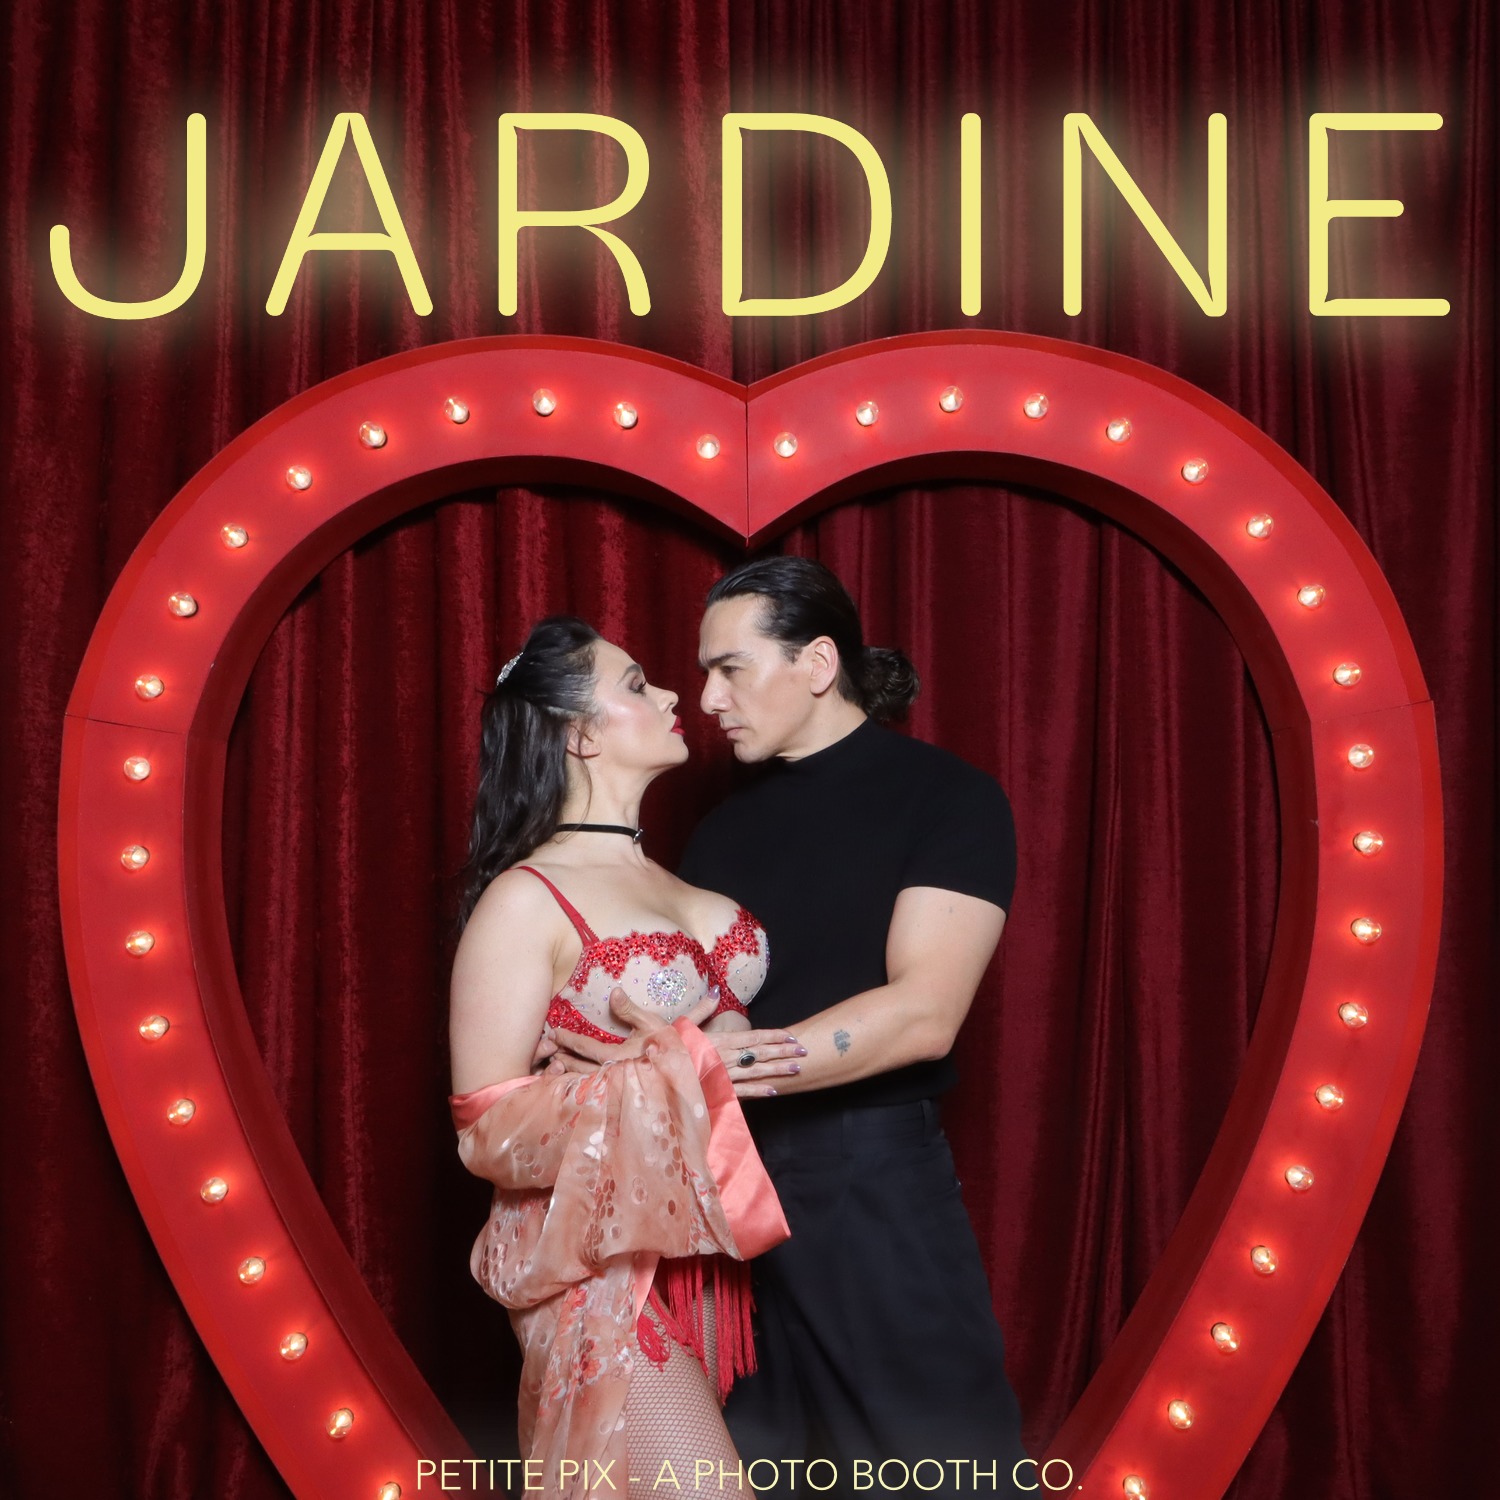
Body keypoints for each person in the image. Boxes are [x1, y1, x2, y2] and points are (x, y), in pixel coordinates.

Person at [675, 557, 1029, 1496]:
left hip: (869, 1173)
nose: (707, 699)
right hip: (725, 1181)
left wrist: (709, 1064)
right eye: (704, 674)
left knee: (948, 1471)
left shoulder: (946, 796)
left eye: (730, 668)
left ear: (819, 662)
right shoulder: (716, 833)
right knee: (754, 1470)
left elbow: (924, 1015)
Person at [447, 615, 791, 1500]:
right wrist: (669, 1071)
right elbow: (485, 1127)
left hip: (707, 1255)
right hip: (592, 1266)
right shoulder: (526, 899)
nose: (674, 694)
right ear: (581, 735)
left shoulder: (679, 881)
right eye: (637, 684)